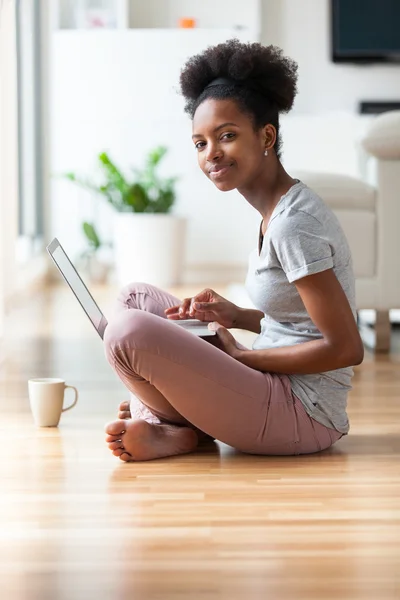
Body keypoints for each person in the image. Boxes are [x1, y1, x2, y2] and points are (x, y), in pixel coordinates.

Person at [104, 40, 364, 462]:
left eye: (226, 136)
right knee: (135, 299)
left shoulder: (295, 223)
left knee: (126, 333)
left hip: (303, 413)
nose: (212, 154)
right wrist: (237, 317)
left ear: (266, 135)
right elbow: (302, 323)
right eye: (200, 143)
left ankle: (167, 423)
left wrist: (243, 356)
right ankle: (174, 423)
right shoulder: (274, 210)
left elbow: (346, 347)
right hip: (269, 384)